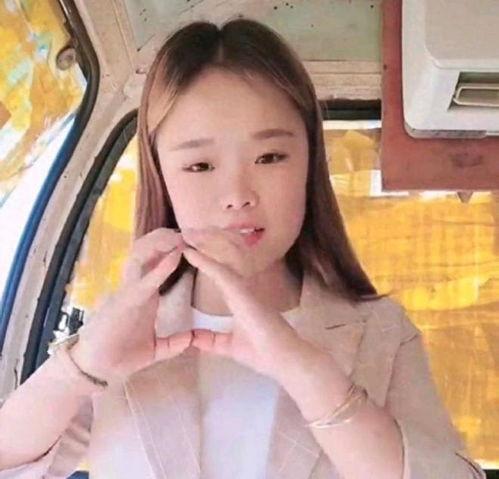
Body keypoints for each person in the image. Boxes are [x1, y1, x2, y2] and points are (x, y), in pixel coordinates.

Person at [0, 18, 486, 479]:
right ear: (161, 177)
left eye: (270, 157)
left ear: (309, 164)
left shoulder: (381, 333)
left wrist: (307, 372)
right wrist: (80, 367)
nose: (237, 194)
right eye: (200, 166)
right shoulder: (126, 331)